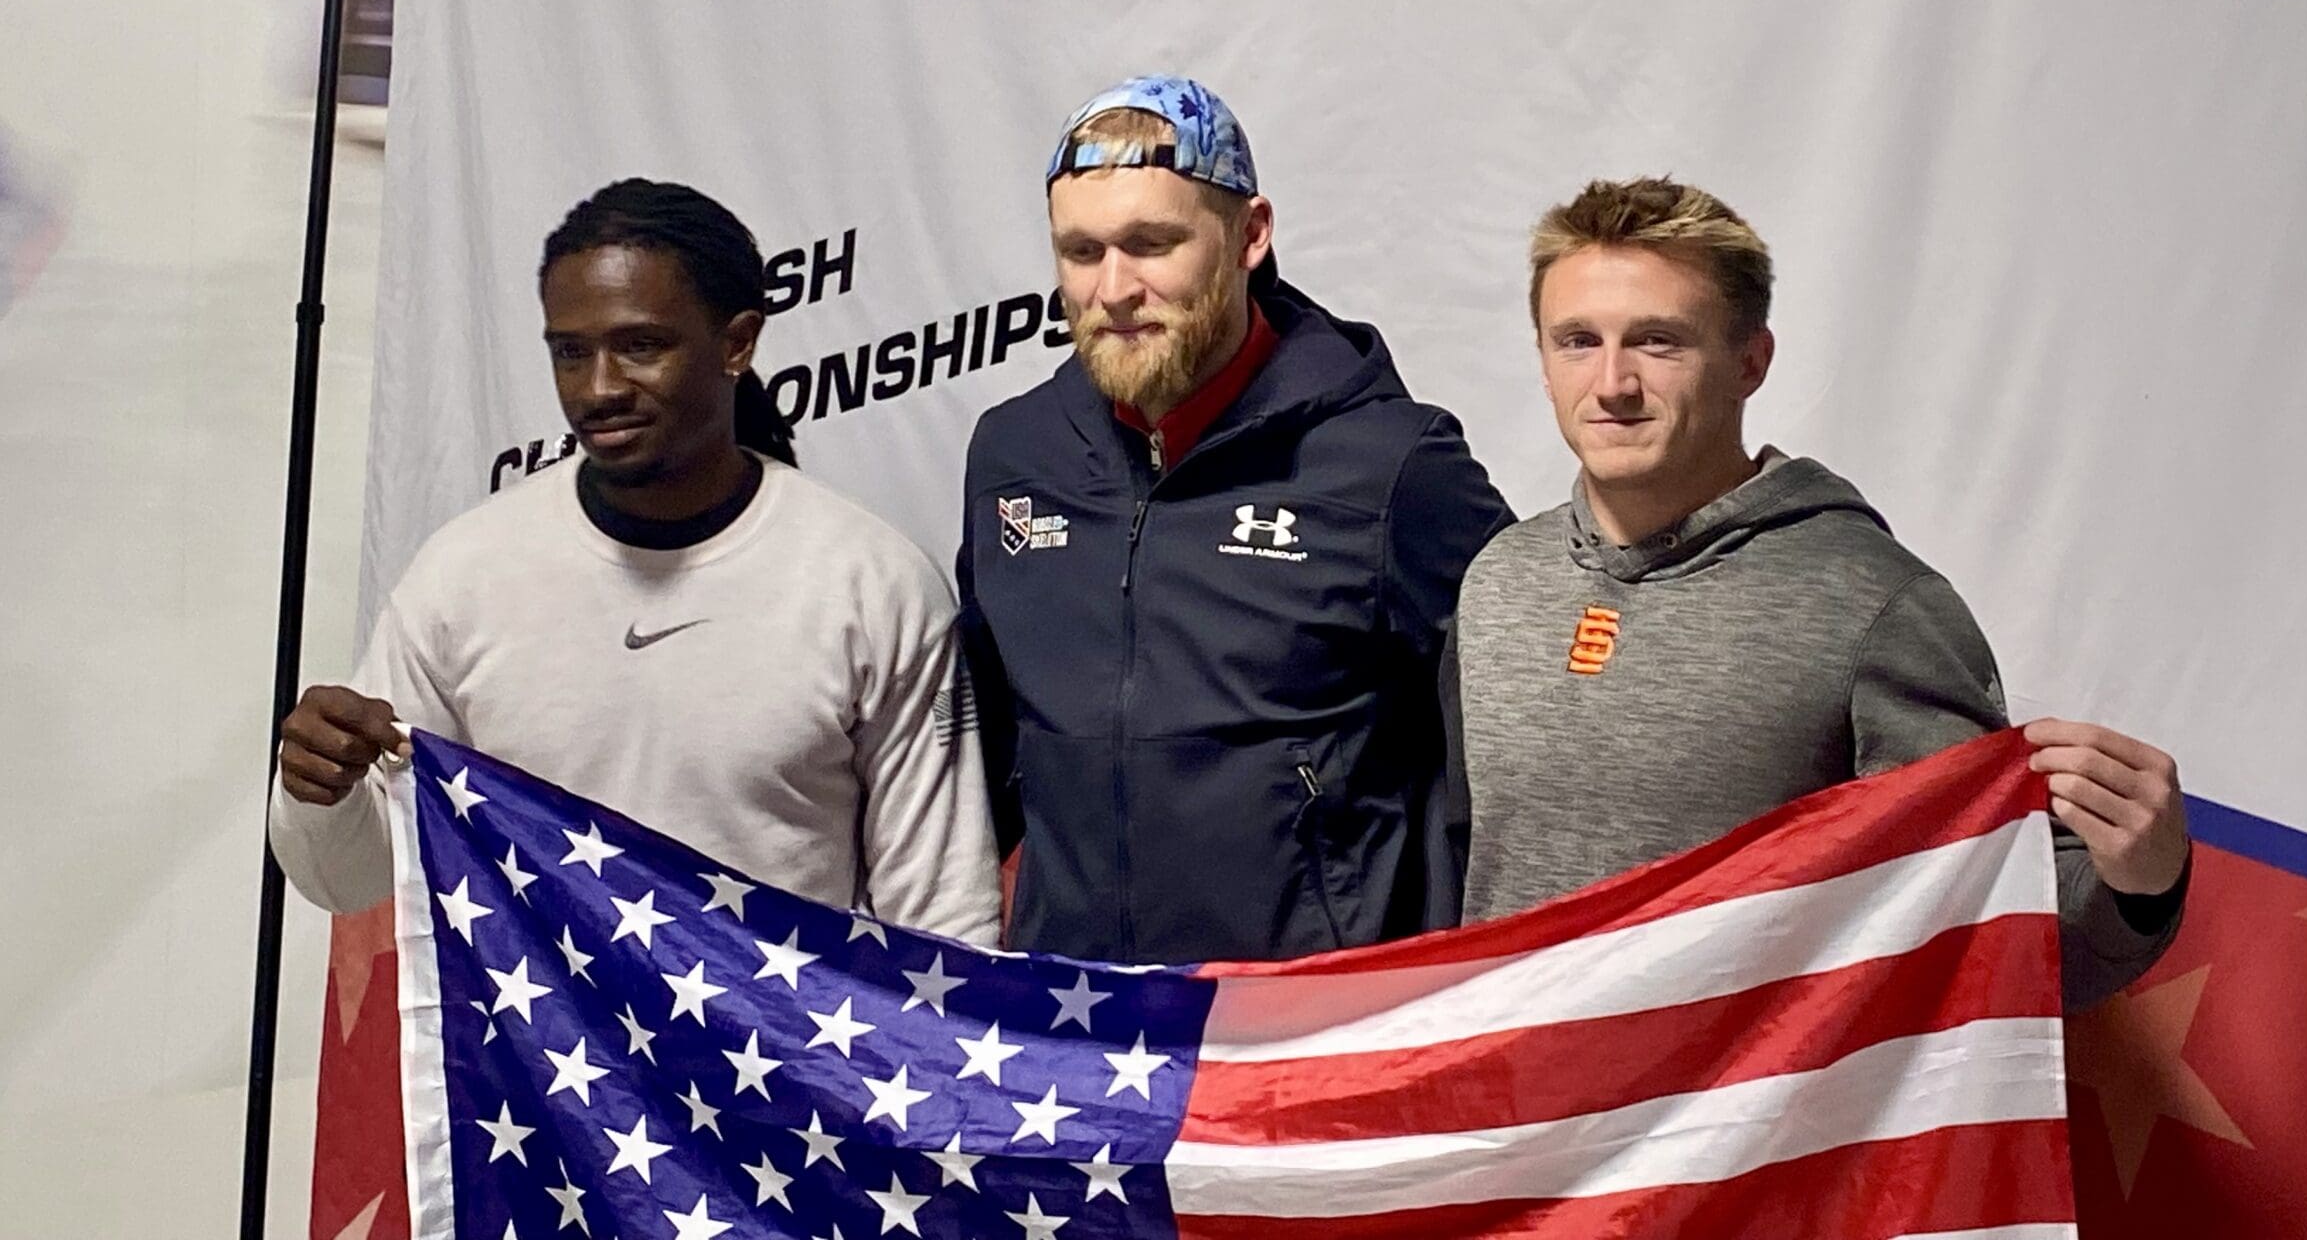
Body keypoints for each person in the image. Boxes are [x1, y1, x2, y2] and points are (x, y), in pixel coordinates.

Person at [1452, 177, 2188, 1009]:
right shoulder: (1499, 579)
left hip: (1741, 1133)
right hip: (1511, 1118)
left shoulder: (1872, 608)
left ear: (1750, 362)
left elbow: (1982, 915)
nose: (1613, 382)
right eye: (1578, 340)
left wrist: (2138, 889)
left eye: (1658, 342)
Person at [269, 179, 998, 944]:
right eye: (570, 353)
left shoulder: (869, 580)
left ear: (737, 343)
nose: (600, 388)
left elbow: (944, 922)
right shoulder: (466, 576)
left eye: (640, 346)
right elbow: (347, 883)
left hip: (777, 1060)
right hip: (538, 1060)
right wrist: (319, 789)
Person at [957, 77, 1513, 963]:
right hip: (1077, 1018)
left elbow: (1513, 745)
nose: (1113, 289)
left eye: (1151, 244)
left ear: (1250, 235)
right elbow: (980, 751)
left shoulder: (1391, 466)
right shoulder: (1014, 456)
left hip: (1308, 1027)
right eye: (1081, 250)